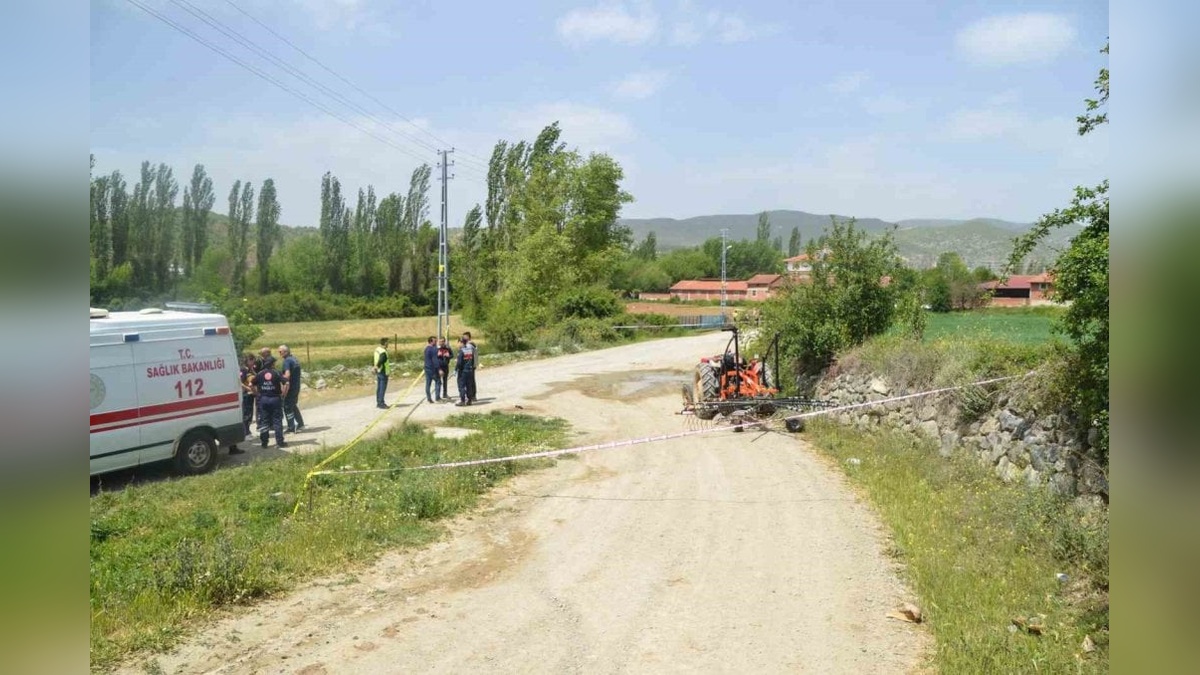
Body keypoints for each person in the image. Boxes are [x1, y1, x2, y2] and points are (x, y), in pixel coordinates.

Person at [253, 356, 288, 449]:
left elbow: (250, 384)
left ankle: (264, 443)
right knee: (277, 420)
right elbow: (287, 383)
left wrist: (256, 393)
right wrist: (283, 394)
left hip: (263, 399)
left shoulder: (260, 373)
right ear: (272, 364)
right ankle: (279, 442)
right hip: (275, 399)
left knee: (264, 421)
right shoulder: (276, 372)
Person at [232, 354, 256, 455]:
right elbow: (240, 382)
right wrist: (249, 389)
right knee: (246, 413)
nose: (254, 363)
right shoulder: (244, 369)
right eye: (253, 361)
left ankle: (247, 430)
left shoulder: (250, 369)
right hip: (246, 394)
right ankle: (246, 432)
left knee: (249, 413)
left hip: (250, 394)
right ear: (249, 360)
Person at [279, 344, 305, 433]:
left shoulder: (287, 361)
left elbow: (287, 375)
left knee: (287, 406)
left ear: (286, 351)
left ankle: (291, 427)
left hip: (290, 387)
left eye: (280, 351)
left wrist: (284, 387)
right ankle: (300, 424)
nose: (279, 353)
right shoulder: (294, 359)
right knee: (293, 405)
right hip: (296, 386)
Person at [455, 332, 477, 406]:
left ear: (461, 343)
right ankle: (469, 400)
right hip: (470, 370)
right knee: (469, 386)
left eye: (458, 343)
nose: (457, 345)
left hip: (463, 371)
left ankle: (462, 400)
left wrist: (456, 369)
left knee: (461, 386)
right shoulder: (469, 350)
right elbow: (473, 359)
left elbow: (459, 363)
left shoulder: (461, 351)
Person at [373, 337, 390, 409]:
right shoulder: (383, 352)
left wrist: (375, 367)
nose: (388, 344)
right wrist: (376, 366)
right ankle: (381, 403)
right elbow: (381, 360)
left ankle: (378, 402)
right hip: (383, 372)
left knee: (379, 388)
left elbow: (376, 359)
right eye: (388, 343)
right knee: (382, 388)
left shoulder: (377, 350)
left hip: (379, 371)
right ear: (385, 343)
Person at [422, 336, 440, 403]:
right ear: (431, 341)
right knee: (438, 382)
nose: (436, 342)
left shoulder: (426, 349)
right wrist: (439, 369)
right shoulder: (433, 349)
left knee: (428, 384)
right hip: (433, 369)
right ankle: (437, 397)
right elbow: (435, 360)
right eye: (435, 341)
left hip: (427, 368)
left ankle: (429, 398)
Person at [436, 337, 454, 401]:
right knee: (438, 381)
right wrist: (438, 355)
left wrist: (448, 356)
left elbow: (452, 355)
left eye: (443, 341)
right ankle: (437, 395)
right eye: (440, 341)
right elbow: (433, 358)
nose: (442, 342)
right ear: (438, 342)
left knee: (445, 381)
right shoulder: (437, 349)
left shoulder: (448, 348)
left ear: (445, 341)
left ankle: (445, 393)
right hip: (439, 367)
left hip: (446, 366)